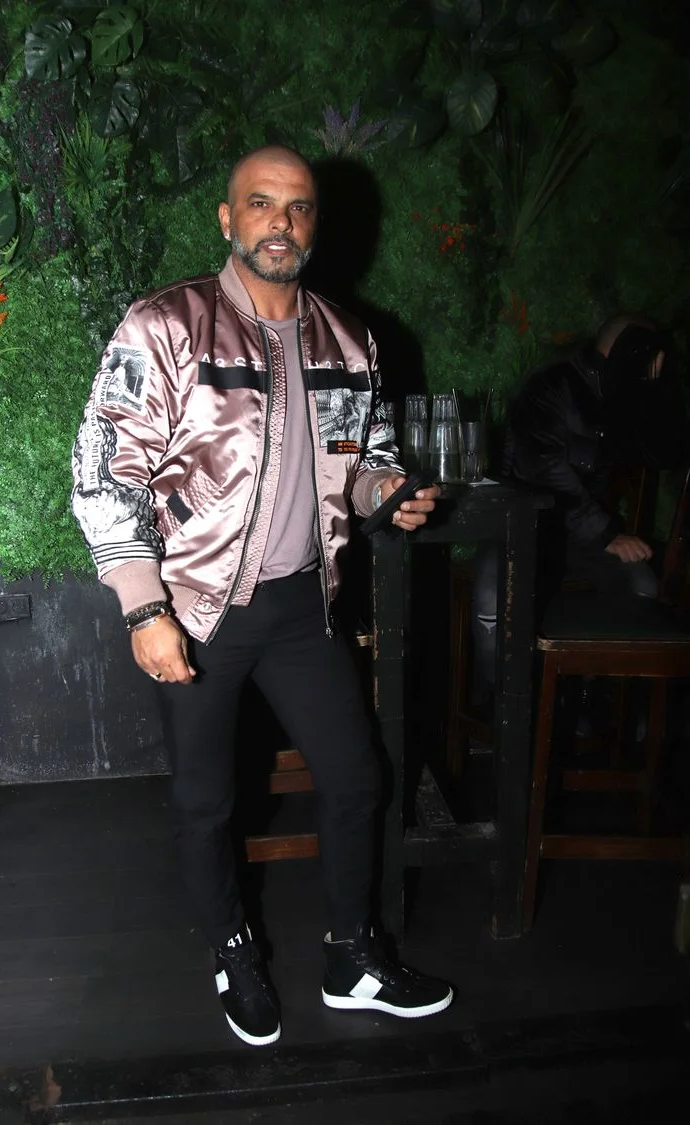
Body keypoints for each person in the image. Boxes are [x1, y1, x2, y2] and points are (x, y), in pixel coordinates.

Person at [72, 145, 453, 1047]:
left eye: (299, 207)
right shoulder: (166, 325)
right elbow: (103, 470)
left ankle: (352, 956)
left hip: (300, 607)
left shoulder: (349, 340)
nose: (280, 221)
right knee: (206, 799)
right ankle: (231, 948)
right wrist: (144, 605)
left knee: (357, 777)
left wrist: (388, 492)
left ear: (314, 225)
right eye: (261, 203)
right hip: (195, 608)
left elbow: (362, 458)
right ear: (228, 217)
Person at [472, 315, 689, 694]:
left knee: (641, 584)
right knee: (494, 592)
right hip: (522, 526)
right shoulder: (551, 386)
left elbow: (663, 452)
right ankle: (500, 703)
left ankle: (586, 700)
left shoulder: (622, 392)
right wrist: (606, 533)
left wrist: (656, 388)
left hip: (579, 535)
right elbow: (541, 469)